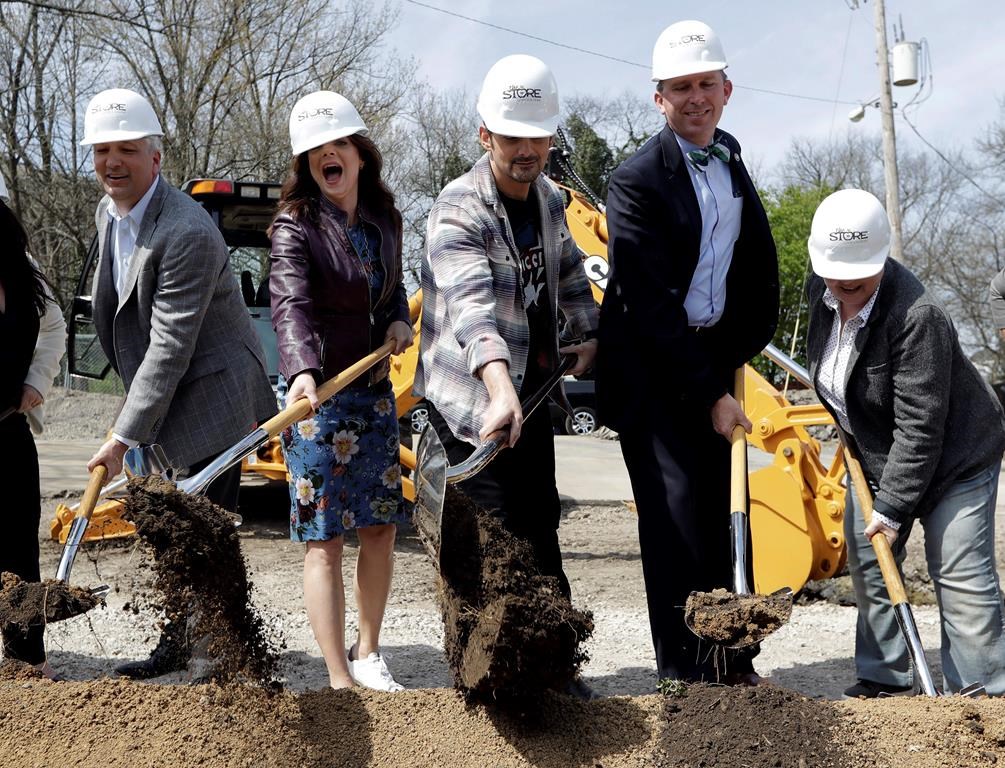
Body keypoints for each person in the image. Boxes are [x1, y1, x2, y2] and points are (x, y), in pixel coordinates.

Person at [595, 20, 779, 686]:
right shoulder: (636, 180)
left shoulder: (729, 158)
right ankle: (684, 672)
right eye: (680, 88)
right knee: (675, 525)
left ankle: (732, 660)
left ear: (726, 89)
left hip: (710, 359)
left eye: (705, 84)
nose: (694, 97)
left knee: (722, 514)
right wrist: (710, 393)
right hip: (652, 372)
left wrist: (732, 357)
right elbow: (646, 305)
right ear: (658, 99)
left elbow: (754, 267)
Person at [414, 55, 599, 696]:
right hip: (471, 406)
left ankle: (556, 665)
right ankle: (482, 673)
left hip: (530, 396)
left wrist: (587, 332)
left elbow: (571, 270)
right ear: (484, 135)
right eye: (512, 136)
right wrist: (497, 388)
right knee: (484, 540)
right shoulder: (457, 210)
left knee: (540, 521)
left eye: (537, 136)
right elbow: (471, 311)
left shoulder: (549, 200)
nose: (526, 150)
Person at [80, 88, 277, 678]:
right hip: (164, 391)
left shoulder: (185, 231)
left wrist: (121, 436)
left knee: (205, 528)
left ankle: (231, 652)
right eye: (102, 150)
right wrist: (132, 426)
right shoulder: (109, 211)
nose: (112, 162)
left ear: (155, 157)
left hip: (214, 393)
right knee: (167, 528)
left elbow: (170, 344)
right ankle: (179, 640)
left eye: (127, 150)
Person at [805, 188, 1005, 698]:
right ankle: (887, 680)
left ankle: (981, 696)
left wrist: (891, 508)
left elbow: (921, 426)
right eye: (836, 278)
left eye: (859, 280)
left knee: (961, 577)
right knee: (871, 564)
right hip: (873, 452)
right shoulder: (820, 287)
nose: (845, 288)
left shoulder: (919, 315)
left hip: (956, 459)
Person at [269, 90, 413, 692]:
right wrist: (302, 370)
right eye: (314, 151)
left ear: (358, 153)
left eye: (338, 145)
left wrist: (400, 318)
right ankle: (336, 675)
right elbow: (289, 302)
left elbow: (391, 287)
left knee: (379, 527)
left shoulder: (384, 218)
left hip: (373, 391)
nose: (328, 156)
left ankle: (369, 652)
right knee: (324, 540)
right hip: (318, 401)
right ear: (305, 164)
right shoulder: (293, 225)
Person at [0, 173, 67, 679]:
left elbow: (53, 325)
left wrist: (36, 380)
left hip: (7, 431)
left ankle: (26, 659)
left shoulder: (23, 269)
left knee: (18, 548)